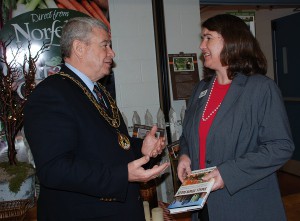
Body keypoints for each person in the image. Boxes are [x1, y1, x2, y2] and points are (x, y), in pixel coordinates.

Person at [24, 17, 169, 221]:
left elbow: (109, 148)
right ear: (79, 48)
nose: (112, 53)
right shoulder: (51, 94)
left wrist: (141, 149)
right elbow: (55, 169)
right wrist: (122, 175)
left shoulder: (97, 91)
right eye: (105, 45)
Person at [177, 14, 294, 221]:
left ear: (231, 41)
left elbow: (280, 146)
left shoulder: (261, 89)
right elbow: (187, 135)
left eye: (208, 37)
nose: (202, 45)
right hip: (203, 205)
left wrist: (227, 174)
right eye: (202, 38)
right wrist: (185, 156)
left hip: (245, 206)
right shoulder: (201, 89)